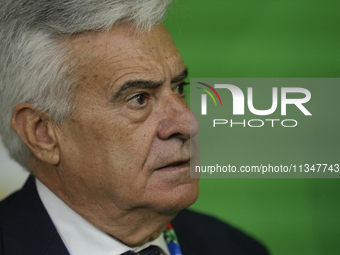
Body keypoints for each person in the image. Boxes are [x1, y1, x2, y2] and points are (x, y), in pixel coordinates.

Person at [0, 0, 269, 254]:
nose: (187, 123)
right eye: (139, 98)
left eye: (179, 88)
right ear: (42, 133)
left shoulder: (234, 247)